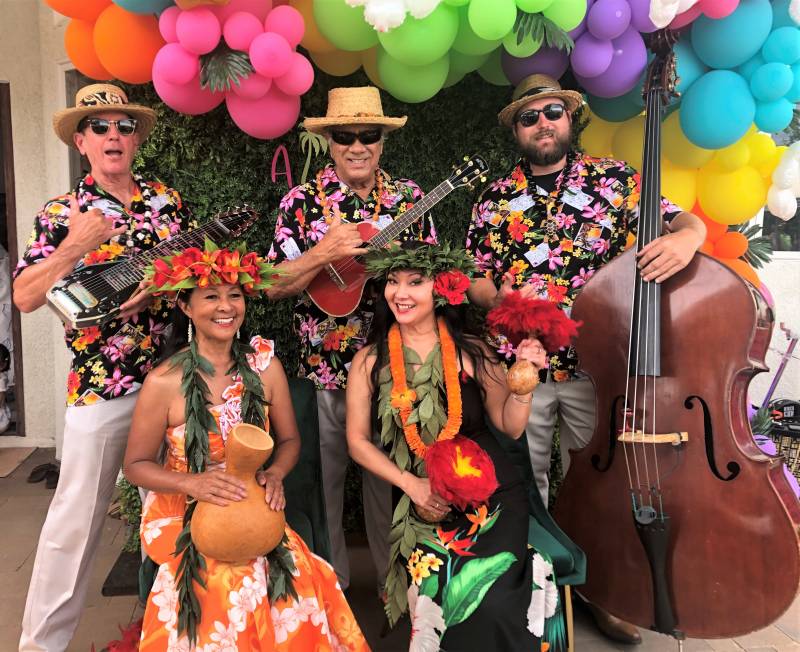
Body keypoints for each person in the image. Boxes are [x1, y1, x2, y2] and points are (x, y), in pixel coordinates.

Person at [466, 74, 707, 644]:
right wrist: (493, 297)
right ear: (517, 131)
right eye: (529, 117)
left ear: (570, 118)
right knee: (523, 483)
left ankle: (602, 592)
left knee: (600, 486)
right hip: (521, 367)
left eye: (552, 112)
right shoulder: (493, 200)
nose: (542, 123)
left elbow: (683, 220)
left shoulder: (615, 181)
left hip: (597, 366)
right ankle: (533, 594)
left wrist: (688, 239)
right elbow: (474, 278)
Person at [13, 83, 192, 651]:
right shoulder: (61, 212)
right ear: (81, 142)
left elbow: (196, 272)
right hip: (101, 384)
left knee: (174, 514)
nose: (113, 134)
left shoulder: (167, 202)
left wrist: (161, 285)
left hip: (172, 381)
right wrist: (74, 244)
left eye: (123, 125)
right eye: (99, 126)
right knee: (74, 521)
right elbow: (25, 296)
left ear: (135, 138)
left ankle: (171, 634)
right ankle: (41, 645)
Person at [123, 242, 369, 651]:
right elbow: (135, 464)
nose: (226, 307)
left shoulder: (265, 368)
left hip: (250, 499)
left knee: (296, 574)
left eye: (234, 295)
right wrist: (193, 484)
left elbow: (289, 440)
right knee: (223, 580)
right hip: (182, 508)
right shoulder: (163, 382)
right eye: (210, 296)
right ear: (185, 306)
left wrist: (275, 473)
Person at [346, 242, 563, 651]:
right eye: (393, 281)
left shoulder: (473, 351)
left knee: (493, 599)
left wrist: (525, 381)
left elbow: (510, 427)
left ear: (442, 289)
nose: (400, 293)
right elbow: (357, 442)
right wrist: (411, 485)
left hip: (492, 495)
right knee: (440, 589)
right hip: (422, 496)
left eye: (415, 282)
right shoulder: (369, 361)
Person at [266, 86, 436, 593]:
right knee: (328, 484)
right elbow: (271, 287)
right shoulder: (301, 203)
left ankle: (396, 589)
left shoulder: (409, 199)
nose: (357, 146)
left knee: (392, 481)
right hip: (325, 368)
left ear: (382, 141)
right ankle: (331, 589)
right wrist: (321, 254)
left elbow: (432, 280)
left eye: (369, 135)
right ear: (330, 142)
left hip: (394, 367)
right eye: (345, 135)